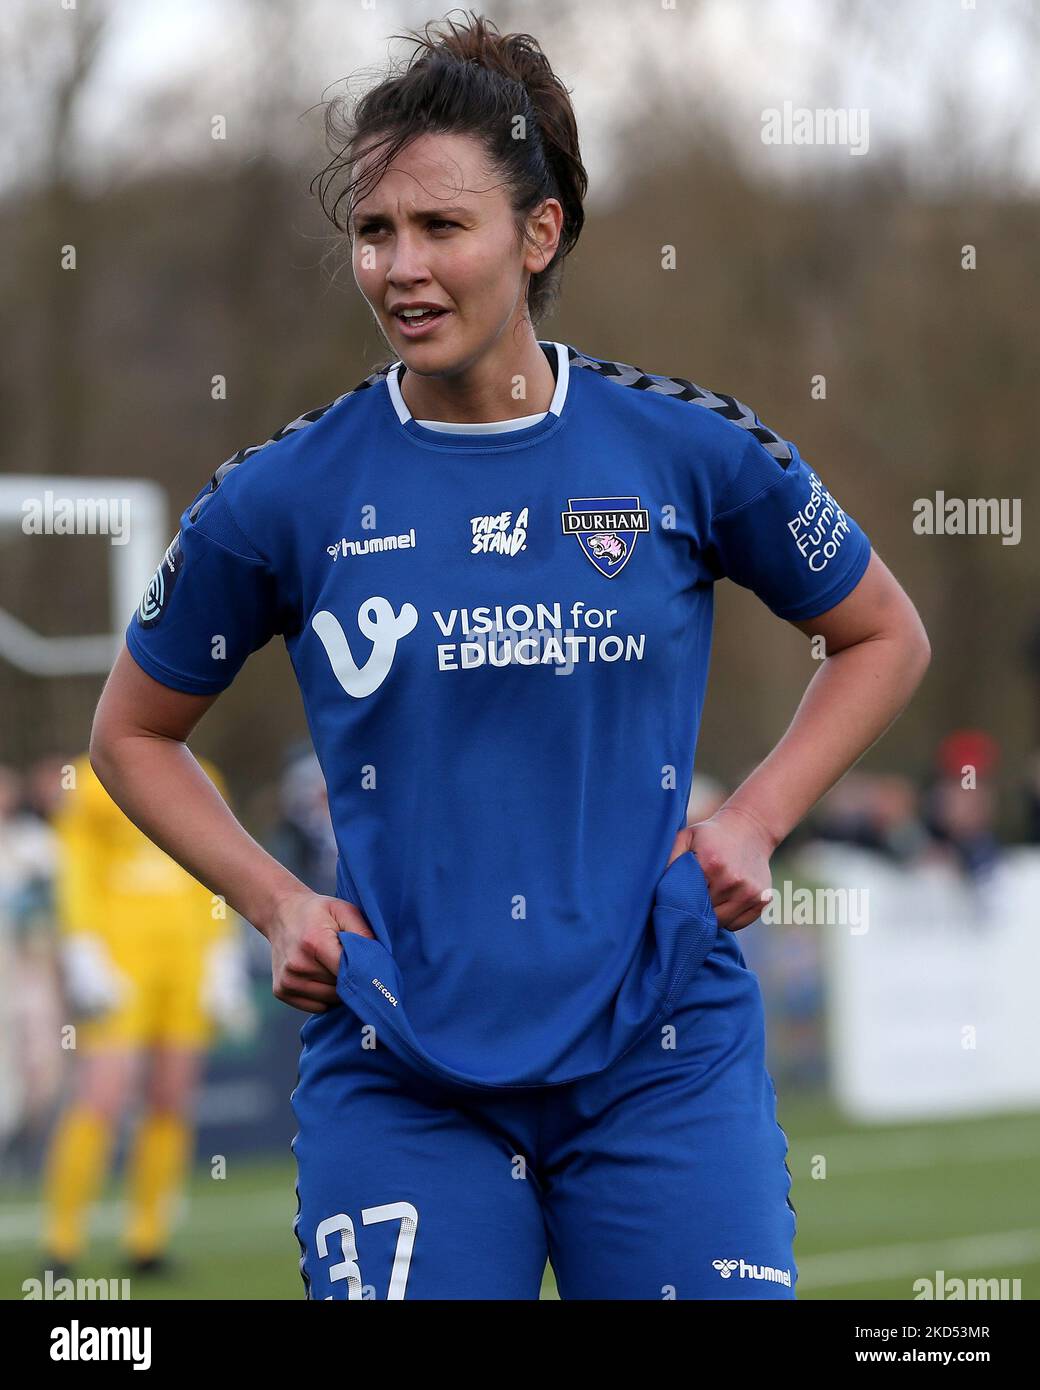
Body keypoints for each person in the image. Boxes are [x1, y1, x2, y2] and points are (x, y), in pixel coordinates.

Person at [89, 11, 930, 1299]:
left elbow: (878, 632)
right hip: (401, 1062)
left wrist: (756, 819)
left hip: (662, 1046)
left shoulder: (683, 454)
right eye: (374, 231)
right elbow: (132, 733)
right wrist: (274, 901)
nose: (399, 267)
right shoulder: (280, 500)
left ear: (535, 238)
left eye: (440, 227)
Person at [40, 753, 254, 1275]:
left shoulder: (207, 775)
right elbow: (77, 868)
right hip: (120, 958)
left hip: (185, 959)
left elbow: (217, 864)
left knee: (171, 1098)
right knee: (102, 1096)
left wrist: (222, 957)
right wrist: (83, 950)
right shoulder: (89, 778)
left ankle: (147, 1241)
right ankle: (62, 1244)